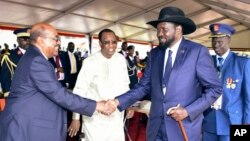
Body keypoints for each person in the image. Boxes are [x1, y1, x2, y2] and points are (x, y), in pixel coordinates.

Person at [106, 7, 222, 141]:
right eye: (158, 29)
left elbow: (215, 88)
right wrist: (117, 102)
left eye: (164, 29)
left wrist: (187, 111)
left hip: (182, 128)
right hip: (156, 129)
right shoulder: (155, 54)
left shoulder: (197, 52)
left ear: (178, 29)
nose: (159, 34)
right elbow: (143, 86)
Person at [0, 23, 110, 141]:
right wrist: (97, 105)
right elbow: (59, 95)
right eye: (55, 39)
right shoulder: (37, 61)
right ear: (41, 40)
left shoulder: (34, 57)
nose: (58, 43)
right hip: (26, 129)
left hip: (29, 125)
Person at [68, 28, 130, 141]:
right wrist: (76, 118)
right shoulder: (90, 62)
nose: (111, 45)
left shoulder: (121, 60)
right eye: (107, 42)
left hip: (116, 116)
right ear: (100, 43)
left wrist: (129, 105)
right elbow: (79, 91)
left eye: (114, 42)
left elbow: (125, 86)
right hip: (95, 118)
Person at [203, 23, 250, 141]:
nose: (216, 45)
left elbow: (248, 98)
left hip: (233, 122)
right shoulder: (207, 63)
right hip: (209, 121)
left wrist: (246, 124)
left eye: (219, 41)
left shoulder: (242, 63)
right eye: (213, 41)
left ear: (228, 39)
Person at [0, 27, 30, 96]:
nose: (28, 42)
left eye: (30, 39)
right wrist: (9, 95)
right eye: (25, 39)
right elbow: (5, 79)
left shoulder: (36, 55)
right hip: (19, 95)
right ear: (18, 40)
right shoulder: (10, 57)